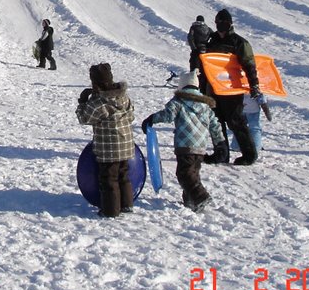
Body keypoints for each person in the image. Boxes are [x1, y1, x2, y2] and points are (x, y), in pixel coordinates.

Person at [141, 71, 225, 212]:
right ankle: (190, 201)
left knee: (184, 174)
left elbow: (167, 115)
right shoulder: (205, 105)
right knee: (193, 172)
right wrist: (220, 142)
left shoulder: (178, 101)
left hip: (185, 144)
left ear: (181, 85)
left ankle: (200, 196)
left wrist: (151, 119)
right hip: (200, 146)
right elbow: (215, 125)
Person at [76, 63, 135, 218]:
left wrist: (82, 102)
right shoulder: (123, 97)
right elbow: (131, 116)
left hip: (109, 149)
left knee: (109, 180)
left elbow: (84, 118)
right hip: (126, 145)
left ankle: (110, 210)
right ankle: (127, 204)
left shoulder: (99, 103)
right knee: (123, 176)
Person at [202, 9, 259, 165]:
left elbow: (249, 64)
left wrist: (254, 85)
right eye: (218, 23)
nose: (220, 26)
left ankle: (249, 154)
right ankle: (221, 154)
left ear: (230, 24)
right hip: (213, 89)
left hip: (231, 89)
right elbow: (204, 64)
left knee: (236, 122)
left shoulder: (238, 42)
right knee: (216, 122)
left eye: (223, 23)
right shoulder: (211, 41)